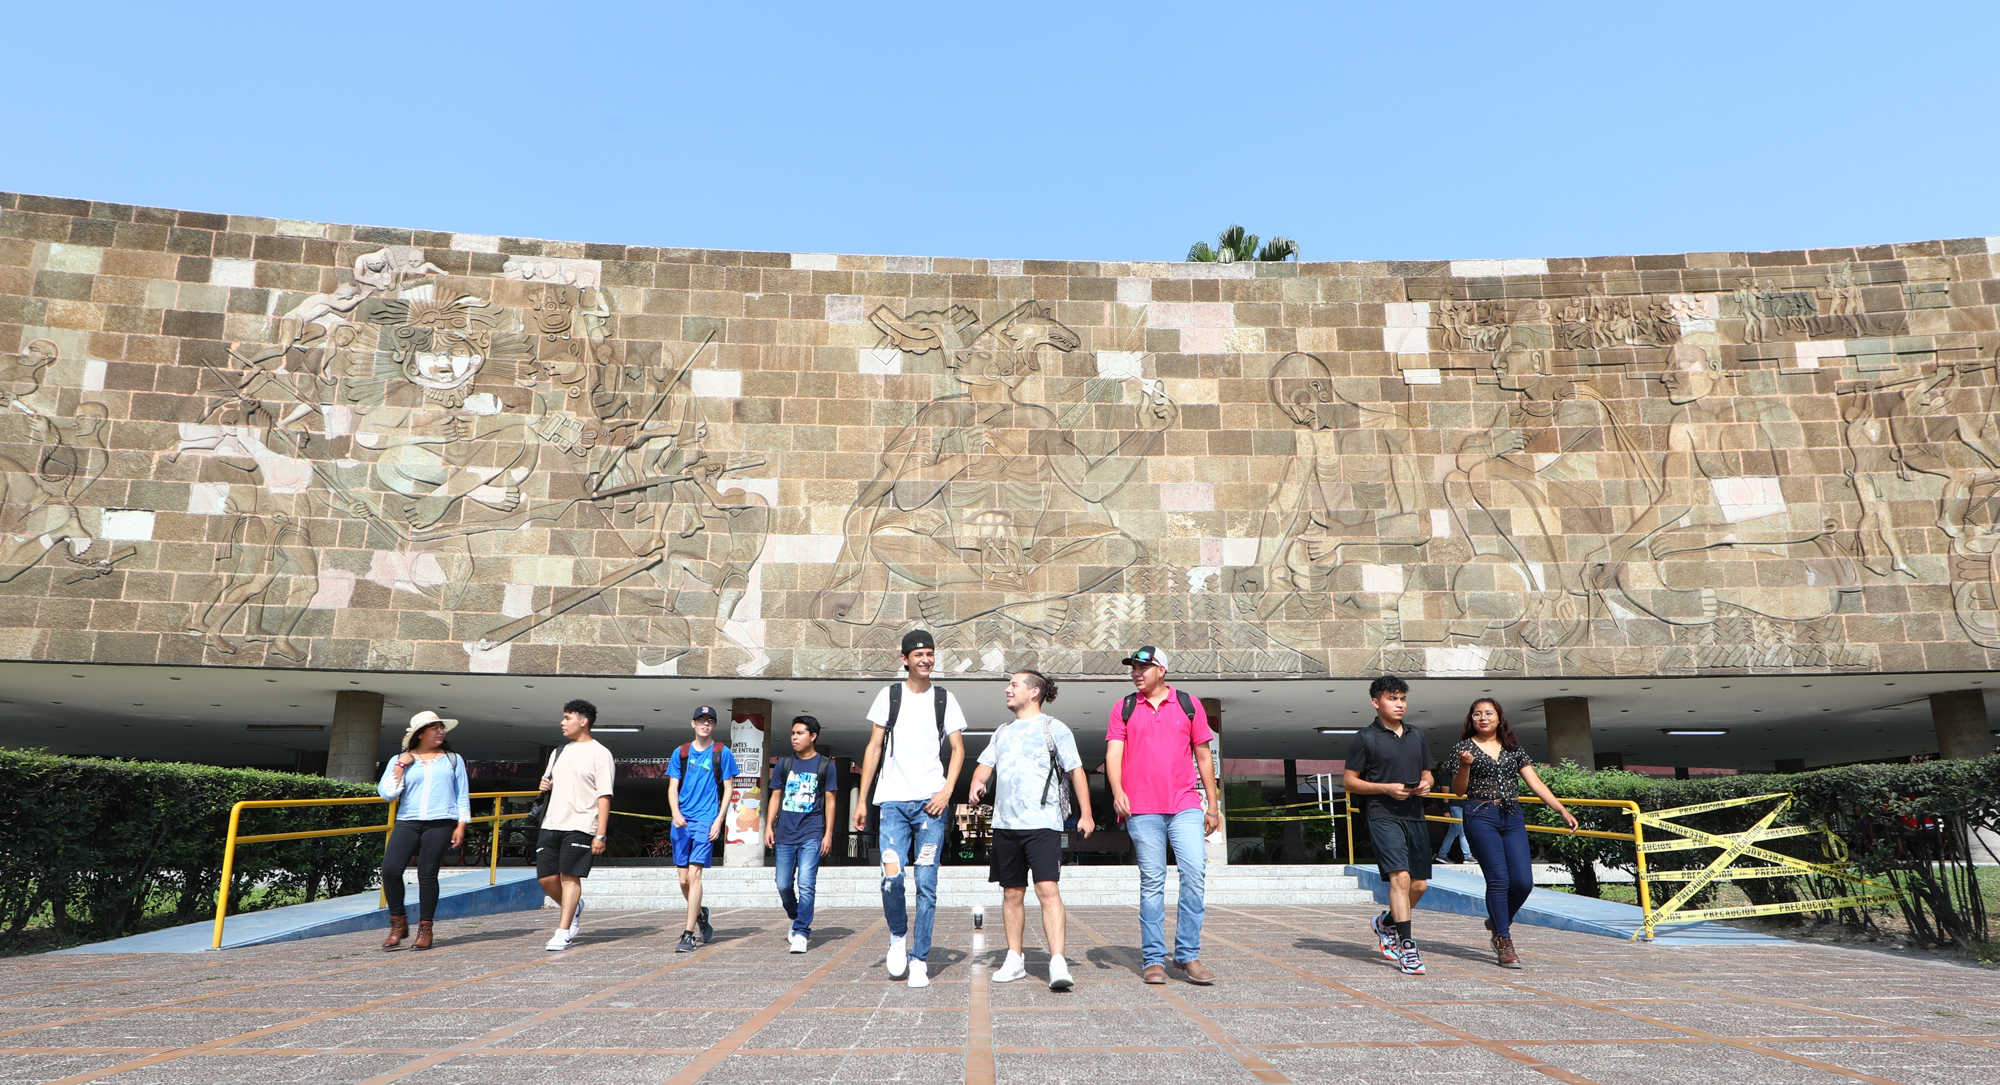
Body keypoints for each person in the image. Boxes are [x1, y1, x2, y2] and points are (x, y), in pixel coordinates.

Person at [853, 628, 967, 989]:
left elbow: (959, 749)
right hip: (893, 804)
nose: (925, 659)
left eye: (930, 653)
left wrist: (947, 792)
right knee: (891, 875)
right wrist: (862, 799)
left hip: (931, 806)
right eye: (918, 654)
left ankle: (920, 958)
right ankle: (898, 936)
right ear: (904, 659)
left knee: (927, 883)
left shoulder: (945, 699)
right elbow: (873, 748)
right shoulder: (890, 696)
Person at [968, 669, 1094, 990]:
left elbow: (1077, 771)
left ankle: (1057, 961)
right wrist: (977, 784)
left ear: (1033, 692)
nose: (1007, 690)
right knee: (1012, 893)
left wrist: (1087, 814)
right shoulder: (1002, 731)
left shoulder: (1054, 728)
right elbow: (984, 768)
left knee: (1047, 890)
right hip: (1005, 826)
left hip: (1043, 824)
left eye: (1013, 685)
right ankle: (1014, 959)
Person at [1105, 645, 1219, 985]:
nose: (1137, 672)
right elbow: (1113, 754)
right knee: (1152, 883)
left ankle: (1187, 955)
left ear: (1161, 670)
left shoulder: (1188, 704)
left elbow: (1203, 756)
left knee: (1194, 873)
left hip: (1184, 804)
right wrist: (1117, 792)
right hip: (1141, 808)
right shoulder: (1124, 707)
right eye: (1133, 668)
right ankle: (1153, 959)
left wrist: (1212, 806)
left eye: (1144, 666)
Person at [1451, 698, 1579, 969]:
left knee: (1523, 882)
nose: (1483, 718)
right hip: (1480, 814)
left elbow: (1535, 782)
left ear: (1499, 717)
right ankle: (1503, 939)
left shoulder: (1513, 747)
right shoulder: (1463, 748)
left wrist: (1561, 810)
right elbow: (1458, 792)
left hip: (1511, 816)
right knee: (1499, 880)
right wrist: (1465, 766)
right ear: (1471, 719)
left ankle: (1499, 918)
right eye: (1477, 714)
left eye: (1489, 713)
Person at [1343, 675, 1433, 976]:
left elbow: (1427, 773)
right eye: (1393, 698)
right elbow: (1349, 781)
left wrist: (1425, 784)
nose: (1399, 704)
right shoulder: (1365, 737)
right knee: (1401, 877)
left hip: (1415, 815)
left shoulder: (1416, 735)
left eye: (1402, 699)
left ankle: (1385, 923)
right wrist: (1386, 788)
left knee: (1419, 885)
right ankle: (1408, 949)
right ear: (1375, 702)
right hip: (1382, 814)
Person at [377, 710, 470, 951]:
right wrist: (400, 765)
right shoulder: (402, 759)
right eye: (434, 727)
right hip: (408, 821)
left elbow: (462, 795)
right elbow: (388, 794)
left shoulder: (453, 759)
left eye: (442, 728)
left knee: (427, 875)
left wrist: (461, 825)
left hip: (441, 821)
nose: (440, 731)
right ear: (419, 734)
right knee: (390, 870)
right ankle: (398, 923)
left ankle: (425, 929)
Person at [537, 698, 615, 952]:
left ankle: (563, 931)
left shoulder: (600, 754)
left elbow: (604, 796)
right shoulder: (559, 751)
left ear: (584, 722)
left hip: (582, 824)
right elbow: (548, 781)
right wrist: (544, 785)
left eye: (568, 717)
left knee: (570, 877)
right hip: (551, 822)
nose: (562, 722)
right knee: (547, 879)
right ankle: (574, 907)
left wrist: (600, 834)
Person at [765, 714, 839, 954]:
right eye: (793, 733)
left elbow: (830, 801)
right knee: (783, 884)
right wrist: (769, 826)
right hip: (785, 834)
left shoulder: (826, 766)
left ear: (813, 736)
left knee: (806, 884)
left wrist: (828, 834)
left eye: (800, 733)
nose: (794, 738)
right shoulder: (785, 764)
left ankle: (801, 932)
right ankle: (797, 918)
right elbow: (775, 795)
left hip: (812, 833)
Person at [667, 705, 739, 953]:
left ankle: (688, 935)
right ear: (693, 723)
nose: (705, 724)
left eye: (710, 721)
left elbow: (729, 789)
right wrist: (675, 812)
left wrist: (719, 820)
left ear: (715, 726)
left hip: (705, 820)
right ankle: (700, 913)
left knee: (695, 875)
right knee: (683, 879)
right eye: (701, 720)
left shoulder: (722, 752)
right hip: (681, 821)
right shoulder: (681, 752)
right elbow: (672, 787)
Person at [1435, 797, 1468, 864]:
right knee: (1462, 830)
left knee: (1452, 832)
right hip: (1455, 806)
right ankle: (1467, 855)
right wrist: (1446, 809)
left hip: (1461, 806)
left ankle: (1442, 854)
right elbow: (1445, 794)